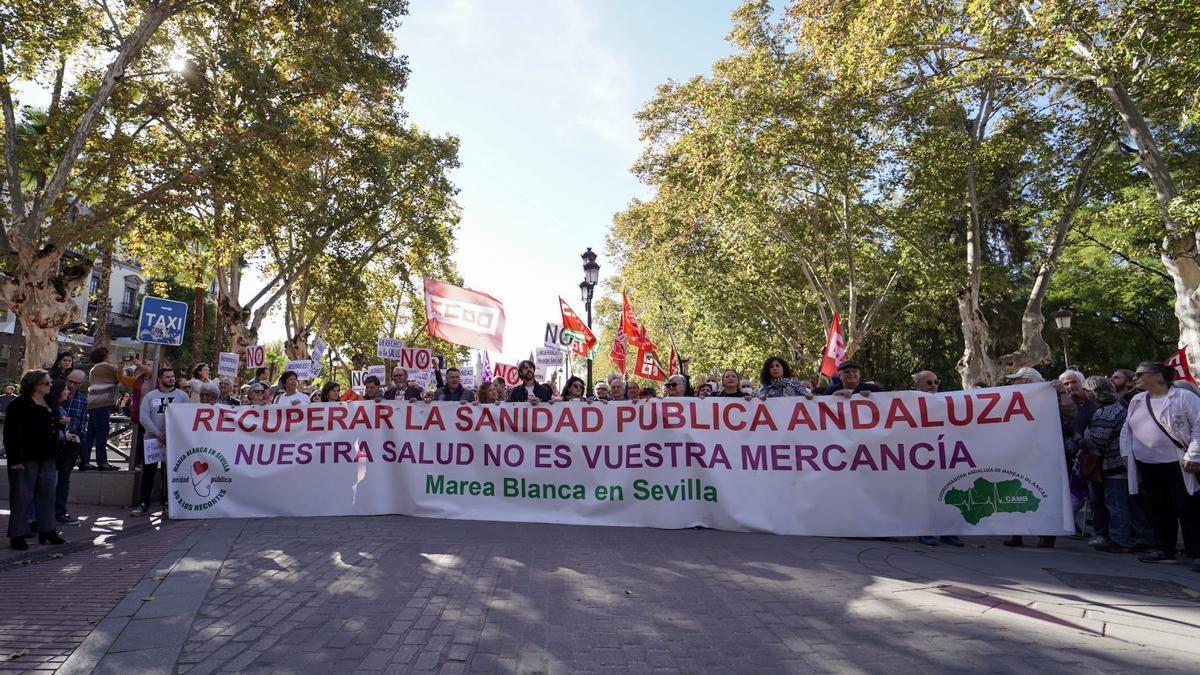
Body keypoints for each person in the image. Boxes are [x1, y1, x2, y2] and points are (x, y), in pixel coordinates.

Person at [1119, 362, 1200, 568]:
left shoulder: (1183, 397)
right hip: (1148, 464)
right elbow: (1126, 429)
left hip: (1178, 463)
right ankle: (1165, 549)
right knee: (1159, 509)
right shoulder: (1137, 400)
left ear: (1158, 376)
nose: (1135, 378)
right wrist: (1126, 453)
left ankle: (1196, 552)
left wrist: (1194, 455)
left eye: (1140, 374)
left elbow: (1199, 425)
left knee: (1188, 508)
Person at [1004, 366, 1074, 549]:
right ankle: (1015, 531)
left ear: (1027, 381)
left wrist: (1060, 391)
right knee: (1015, 490)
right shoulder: (1011, 399)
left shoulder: (1049, 396)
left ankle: (1047, 534)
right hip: (1020, 453)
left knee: (1045, 492)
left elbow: (1070, 413)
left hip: (1045, 453)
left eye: (1016, 379)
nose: (1011, 383)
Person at [1082, 376, 1154, 553]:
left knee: (1116, 503)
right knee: (1131, 502)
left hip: (1114, 464)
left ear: (1093, 393)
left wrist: (1081, 438)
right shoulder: (1120, 406)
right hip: (1124, 462)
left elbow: (1097, 441)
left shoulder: (1105, 412)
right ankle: (1145, 537)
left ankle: (1119, 539)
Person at [5, 370, 66, 550]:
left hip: (47, 455)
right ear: (35, 384)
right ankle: (17, 534)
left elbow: (50, 423)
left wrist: (59, 423)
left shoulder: (49, 401)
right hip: (26, 457)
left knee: (47, 494)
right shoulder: (19, 404)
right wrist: (15, 458)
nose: (50, 386)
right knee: (22, 497)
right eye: (47, 383)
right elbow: (11, 433)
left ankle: (47, 530)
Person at [909, 371, 964, 547]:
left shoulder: (946, 402)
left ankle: (948, 532)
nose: (933, 385)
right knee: (923, 497)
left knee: (948, 493)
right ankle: (924, 531)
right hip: (918, 456)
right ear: (917, 385)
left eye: (936, 382)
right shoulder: (907, 402)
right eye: (929, 382)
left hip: (944, 455)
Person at [132, 368, 190, 517]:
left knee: (169, 472)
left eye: (172, 376)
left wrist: (170, 432)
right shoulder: (150, 397)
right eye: (167, 377)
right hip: (152, 439)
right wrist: (158, 433)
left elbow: (186, 416)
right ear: (159, 379)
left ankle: (167, 504)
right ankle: (144, 504)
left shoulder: (182, 396)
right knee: (148, 472)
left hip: (173, 440)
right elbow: (144, 417)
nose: (171, 379)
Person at [81, 347, 135, 471]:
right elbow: (121, 375)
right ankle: (102, 462)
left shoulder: (94, 368)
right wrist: (130, 367)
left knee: (91, 434)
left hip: (93, 404)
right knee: (102, 434)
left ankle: (85, 460)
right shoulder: (104, 366)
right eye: (108, 353)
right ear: (104, 355)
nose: (110, 356)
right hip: (102, 404)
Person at [56, 369, 89, 526]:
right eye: (70, 381)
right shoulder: (57, 394)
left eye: (76, 383)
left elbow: (83, 421)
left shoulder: (82, 400)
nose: (71, 385)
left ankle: (60, 512)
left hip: (71, 442)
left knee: (64, 479)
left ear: (81, 384)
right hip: (55, 440)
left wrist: (78, 437)